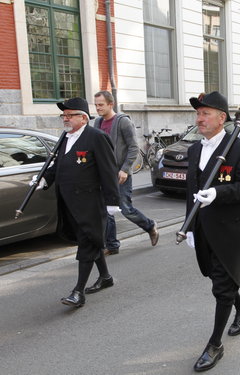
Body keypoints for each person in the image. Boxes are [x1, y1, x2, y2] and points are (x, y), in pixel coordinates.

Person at [185, 91, 240, 372]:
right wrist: (189, 227)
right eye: (198, 114)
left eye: (205, 113)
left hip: (229, 229)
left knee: (222, 286)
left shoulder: (239, 150)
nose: (199, 119)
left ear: (222, 118)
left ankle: (215, 344)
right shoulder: (194, 149)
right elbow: (191, 191)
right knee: (216, 276)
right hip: (202, 228)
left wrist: (218, 193)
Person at [35, 97, 120, 307]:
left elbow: (109, 171)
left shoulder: (96, 137)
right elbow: (58, 165)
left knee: (86, 243)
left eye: (69, 115)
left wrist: (112, 201)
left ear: (83, 118)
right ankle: (106, 277)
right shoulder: (66, 137)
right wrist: (45, 179)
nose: (65, 119)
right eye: (63, 115)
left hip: (90, 202)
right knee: (92, 240)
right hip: (69, 202)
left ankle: (78, 292)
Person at [93, 91, 159, 255]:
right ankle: (112, 245)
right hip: (104, 175)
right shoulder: (97, 122)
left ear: (111, 104)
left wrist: (124, 169)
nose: (97, 108)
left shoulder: (122, 122)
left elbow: (133, 148)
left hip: (120, 175)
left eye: (101, 104)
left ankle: (150, 226)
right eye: (96, 105)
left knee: (125, 208)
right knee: (106, 210)